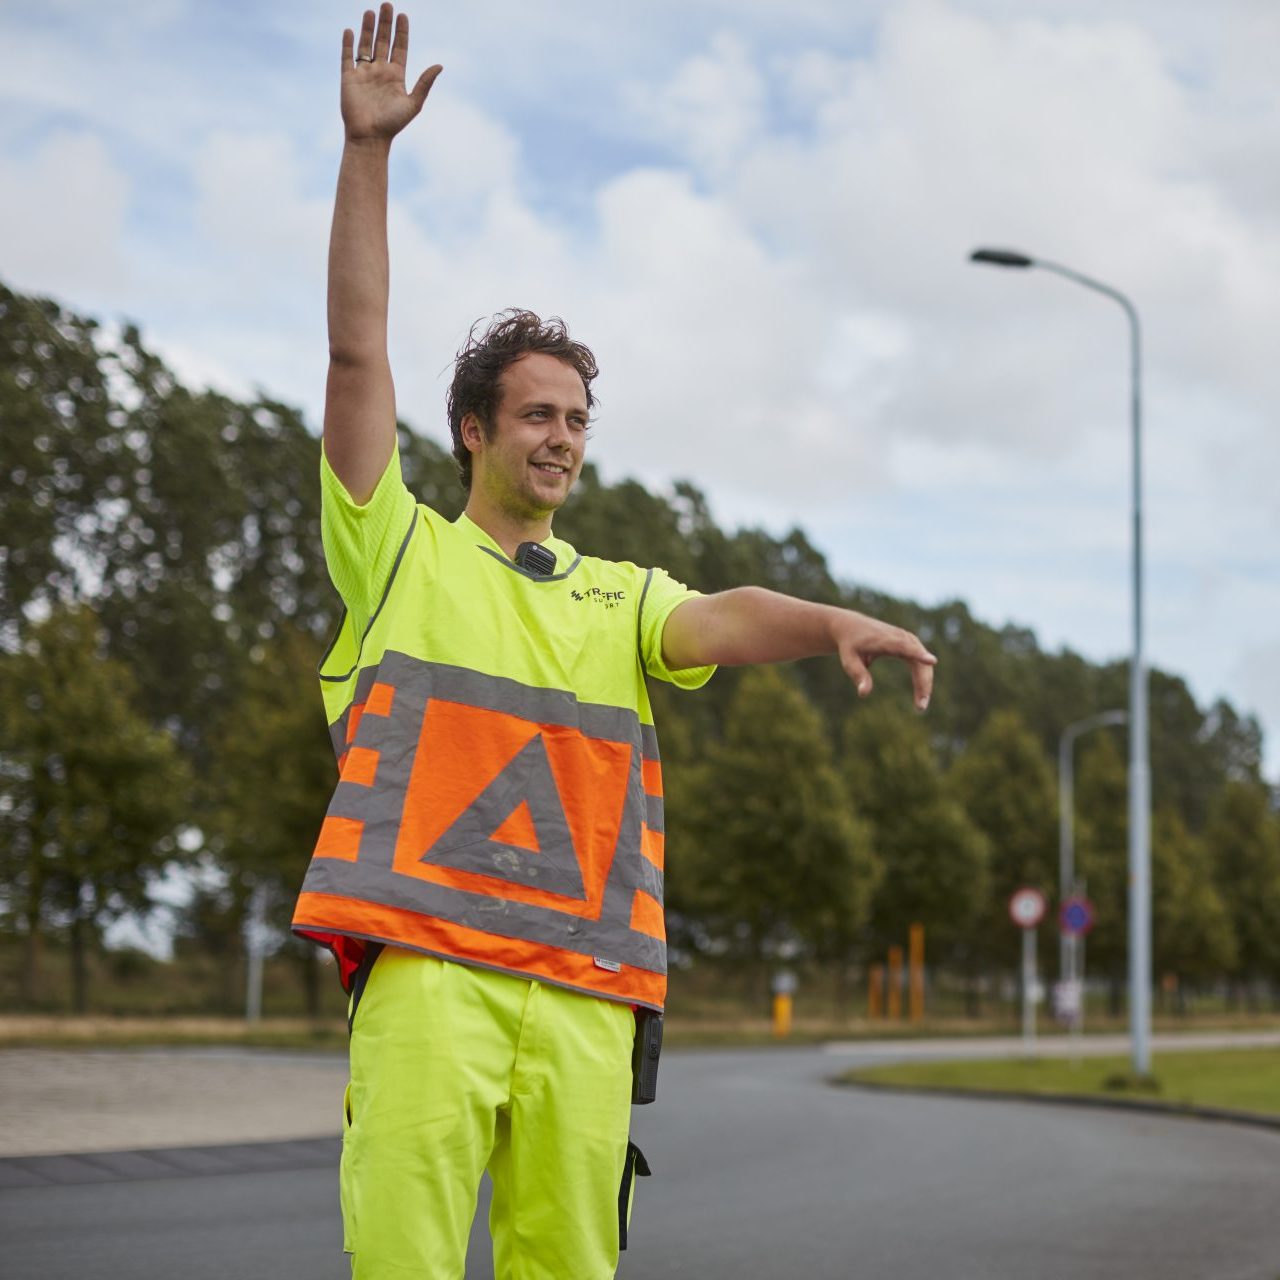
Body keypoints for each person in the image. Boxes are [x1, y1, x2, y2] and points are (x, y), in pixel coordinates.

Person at [291, 6, 937, 1278]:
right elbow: (353, 351)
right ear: (472, 429)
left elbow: (722, 616)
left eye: (578, 418)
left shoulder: (620, 595)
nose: (563, 438)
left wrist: (827, 621)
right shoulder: (399, 552)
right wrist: (367, 153)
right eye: (535, 413)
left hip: (587, 1000)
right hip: (430, 983)